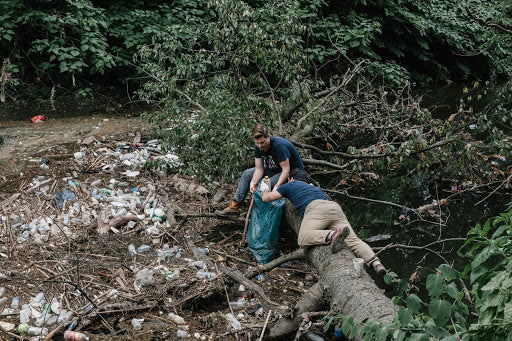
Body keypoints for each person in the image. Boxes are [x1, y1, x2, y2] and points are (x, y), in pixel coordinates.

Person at [260, 170, 386, 275]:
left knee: (303, 238)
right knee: (354, 241)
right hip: (334, 207)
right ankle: (376, 264)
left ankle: (331, 235)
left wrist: (265, 187)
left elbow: (267, 198)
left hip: (316, 209)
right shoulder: (313, 187)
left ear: (291, 179)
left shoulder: (290, 185)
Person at [215, 123, 305, 217]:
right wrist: (253, 182)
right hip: (274, 169)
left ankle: (264, 212)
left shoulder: (279, 146)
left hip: (292, 172)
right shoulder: (257, 147)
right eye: (257, 143)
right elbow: (259, 169)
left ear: (268, 137)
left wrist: (277, 186)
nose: (260, 146)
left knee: (265, 183)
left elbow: (286, 169)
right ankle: (234, 206)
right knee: (247, 174)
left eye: (262, 142)